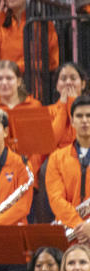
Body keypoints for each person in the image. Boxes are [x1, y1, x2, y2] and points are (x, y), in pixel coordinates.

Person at [0, 0, 59, 72]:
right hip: (7, 81)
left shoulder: (43, 24)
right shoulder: (1, 26)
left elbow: (53, 62)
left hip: (33, 82)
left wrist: (17, 67)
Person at [47, 94, 90, 241]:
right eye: (79, 116)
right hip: (70, 234)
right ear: (72, 121)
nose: (85, 120)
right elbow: (56, 199)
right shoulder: (56, 158)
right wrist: (79, 225)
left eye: (89, 115)